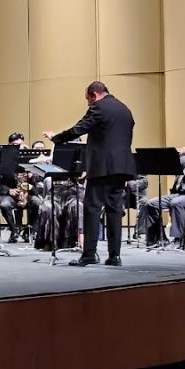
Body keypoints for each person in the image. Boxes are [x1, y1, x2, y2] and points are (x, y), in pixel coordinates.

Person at [45, 81, 136, 266]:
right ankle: (114, 256)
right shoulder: (124, 109)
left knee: (91, 209)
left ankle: (89, 254)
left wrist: (57, 138)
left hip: (103, 167)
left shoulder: (99, 107)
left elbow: (80, 128)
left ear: (94, 95)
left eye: (88, 100)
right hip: (122, 167)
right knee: (114, 211)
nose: (88, 104)